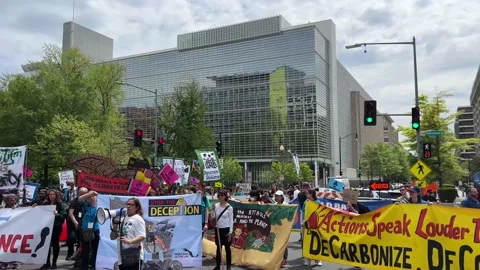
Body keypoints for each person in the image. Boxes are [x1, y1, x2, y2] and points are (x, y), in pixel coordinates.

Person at [110, 198, 146, 270]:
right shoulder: (122, 219)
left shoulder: (138, 219)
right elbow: (112, 237)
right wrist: (114, 227)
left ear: (137, 207)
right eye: (128, 204)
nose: (128, 206)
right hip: (123, 256)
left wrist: (130, 241)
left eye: (131, 204)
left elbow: (142, 236)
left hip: (134, 256)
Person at [41, 190, 66, 269]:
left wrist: (57, 214)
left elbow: (63, 216)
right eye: (50, 194)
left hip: (56, 227)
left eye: (53, 194)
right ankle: (47, 262)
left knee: (55, 244)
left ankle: (54, 262)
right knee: (46, 244)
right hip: (47, 226)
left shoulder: (60, 204)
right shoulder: (46, 204)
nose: (51, 196)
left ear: (56, 195)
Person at [78, 190, 100, 270]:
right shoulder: (85, 204)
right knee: (85, 249)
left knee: (96, 249)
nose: (91, 198)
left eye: (93, 197)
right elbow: (79, 199)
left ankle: (95, 265)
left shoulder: (100, 205)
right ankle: (84, 266)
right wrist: (90, 193)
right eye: (89, 197)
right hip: (85, 230)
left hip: (96, 230)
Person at [213, 190, 234, 270]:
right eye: (219, 195)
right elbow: (212, 217)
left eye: (221, 195)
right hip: (218, 229)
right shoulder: (216, 205)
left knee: (227, 248)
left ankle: (228, 266)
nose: (219, 197)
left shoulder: (229, 207)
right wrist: (212, 210)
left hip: (226, 230)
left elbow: (231, 221)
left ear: (225, 196)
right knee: (218, 248)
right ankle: (217, 265)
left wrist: (230, 232)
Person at [300, 189, 322, 267]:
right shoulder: (306, 202)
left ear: (311, 194)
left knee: (316, 242)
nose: (306, 194)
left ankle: (317, 260)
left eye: (307, 193)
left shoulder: (318, 203)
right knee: (306, 242)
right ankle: (307, 259)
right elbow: (302, 212)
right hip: (306, 225)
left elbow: (320, 213)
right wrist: (302, 222)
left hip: (315, 226)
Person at [274, 191, 289, 268]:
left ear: (282, 197)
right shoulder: (274, 205)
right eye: (275, 196)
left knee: (284, 244)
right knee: (276, 243)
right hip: (276, 227)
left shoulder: (286, 205)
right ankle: (277, 259)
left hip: (284, 228)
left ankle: (284, 260)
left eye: (278, 196)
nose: (276, 197)